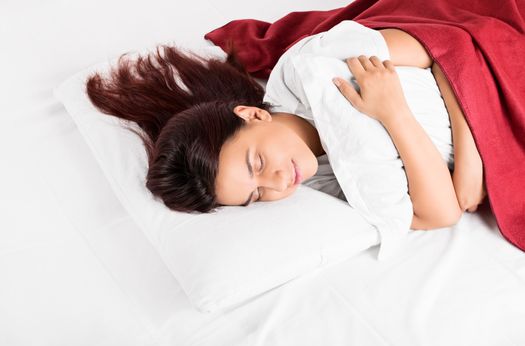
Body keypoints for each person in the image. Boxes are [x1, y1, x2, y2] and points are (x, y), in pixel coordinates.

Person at [86, 27, 485, 230]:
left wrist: (472, 154)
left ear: (253, 115)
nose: (278, 184)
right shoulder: (330, 185)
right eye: (257, 195)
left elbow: (444, 49)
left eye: (257, 162)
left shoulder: (313, 69)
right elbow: (442, 214)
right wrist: (394, 115)